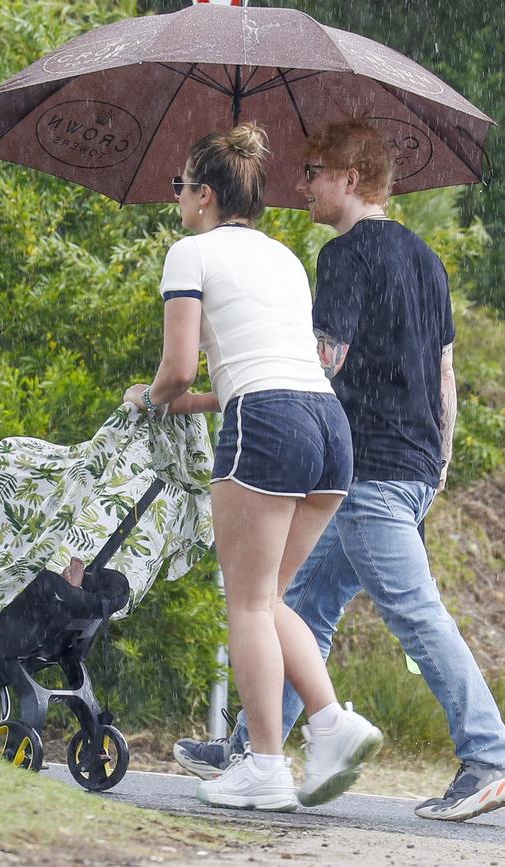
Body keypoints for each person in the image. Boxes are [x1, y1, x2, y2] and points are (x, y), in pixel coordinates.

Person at [173, 119, 505, 823]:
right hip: (408, 464)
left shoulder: (346, 255)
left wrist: (212, 391)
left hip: (365, 464)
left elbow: (323, 359)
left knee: (413, 613)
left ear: (353, 179)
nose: (304, 185)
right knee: (302, 605)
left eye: (316, 171)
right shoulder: (427, 259)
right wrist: (437, 468)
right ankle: (249, 746)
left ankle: (490, 754)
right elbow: (444, 373)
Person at [124, 123, 382, 812]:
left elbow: (179, 368)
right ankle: (331, 723)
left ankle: (265, 765)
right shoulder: (285, 259)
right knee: (268, 600)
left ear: (205, 194)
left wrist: (150, 400)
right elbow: (260, 370)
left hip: (267, 429)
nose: (176, 197)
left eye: (181, 185)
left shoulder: (191, 252)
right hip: (329, 430)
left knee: (245, 602)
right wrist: (182, 403)